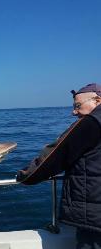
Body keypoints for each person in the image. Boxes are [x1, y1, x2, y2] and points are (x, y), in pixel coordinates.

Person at [17, 83, 101, 249]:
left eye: (78, 106)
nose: (74, 112)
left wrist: (25, 176)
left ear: (97, 100)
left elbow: (55, 156)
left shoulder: (91, 122)